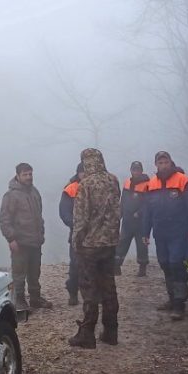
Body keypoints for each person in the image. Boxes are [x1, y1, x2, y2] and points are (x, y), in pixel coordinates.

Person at [68, 148, 122, 349]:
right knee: (109, 287)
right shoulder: (113, 180)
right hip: (109, 243)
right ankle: (111, 332)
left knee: (89, 289)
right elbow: (117, 211)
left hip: (89, 246)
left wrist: (76, 241)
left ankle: (87, 334)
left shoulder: (85, 184)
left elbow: (81, 218)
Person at [141, 151, 188, 320]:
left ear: (171, 162)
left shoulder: (182, 180)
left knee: (176, 264)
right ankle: (171, 298)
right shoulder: (151, 184)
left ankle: (179, 305)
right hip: (160, 232)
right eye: (160, 163)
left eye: (166, 162)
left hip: (179, 232)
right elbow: (147, 211)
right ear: (156, 165)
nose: (163, 166)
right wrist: (145, 232)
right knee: (165, 264)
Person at [0, 163, 52, 309]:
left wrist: (41, 233)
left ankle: (35, 298)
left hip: (35, 241)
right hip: (20, 242)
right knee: (19, 274)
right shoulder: (11, 196)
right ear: (18, 176)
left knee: (35, 273)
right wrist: (11, 239)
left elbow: (39, 215)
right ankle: (20, 300)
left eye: (30, 174)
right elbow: (4, 220)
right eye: (25, 174)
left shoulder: (34, 192)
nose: (29, 177)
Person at [115, 161, 151, 276]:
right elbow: (123, 200)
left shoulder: (147, 184)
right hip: (127, 220)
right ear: (131, 170)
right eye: (134, 169)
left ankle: (142, 267)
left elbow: (148, 203)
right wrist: (120, 214)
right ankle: (116, 266)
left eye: (138, 170)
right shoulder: (127, 182)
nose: (136, 172)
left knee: (141, 245)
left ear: (141, 171)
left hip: (140, 222)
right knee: (122, 243)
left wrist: (139, 212)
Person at [60, 163, 84, 306]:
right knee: (75, 265)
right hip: (77, 234)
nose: (84, 174)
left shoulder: (97, 186)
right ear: (78, 173)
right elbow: (64, 212)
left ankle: (95, 293)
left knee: (96, 265)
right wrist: (75, 225)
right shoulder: (70, 189)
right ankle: (73, 293)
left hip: (96, 235)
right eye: (82, 172)